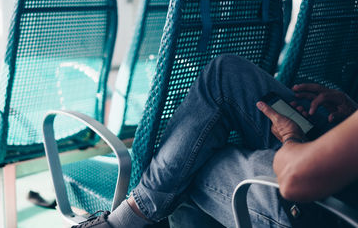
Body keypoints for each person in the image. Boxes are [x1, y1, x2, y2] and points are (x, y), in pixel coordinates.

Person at [74, 55, 358, 228]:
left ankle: (125, 221)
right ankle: (132, 215)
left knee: (191, 162)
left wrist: (291, 137)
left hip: (325, 206)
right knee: (226, 73)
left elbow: (297, 178)